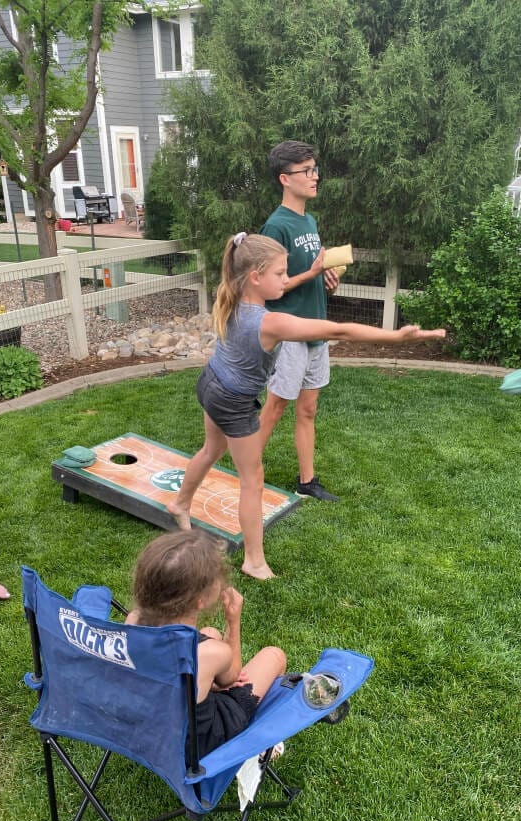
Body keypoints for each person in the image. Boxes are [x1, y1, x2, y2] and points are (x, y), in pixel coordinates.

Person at [166, 231, 445, 580]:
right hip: (233, 402)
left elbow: (282, 288)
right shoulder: (270, 322)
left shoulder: (234, 296)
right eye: (281, 274)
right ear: (255, 276)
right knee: (253, 479)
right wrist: (397, 337)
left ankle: (179, 503)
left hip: (211, 383)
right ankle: (254, 561)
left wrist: (308, 274)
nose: (286, 280)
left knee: (210, 451)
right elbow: (338, 331)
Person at [125, 530, 287, 758]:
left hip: (153, 724)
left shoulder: (133, 621)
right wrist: (233, 621)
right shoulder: (210, 653)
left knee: (210, 632)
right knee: (274, 656)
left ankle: (206, 686)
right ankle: (257, 744)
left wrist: (208, 682)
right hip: (198, 743)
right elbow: (233, 677)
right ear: (201, 600)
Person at [259, 139, 342, 502]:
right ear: (284, 179)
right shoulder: (275, 227)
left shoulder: (310, 220)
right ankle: (245, 469)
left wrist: (327, 279)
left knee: (308, 409)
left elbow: (310, 270)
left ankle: (306, 482)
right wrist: (309, 275)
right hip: (290, 330)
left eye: (315, 169)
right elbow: (265, 289)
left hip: (316, 328)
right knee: (276, 406)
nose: (314, 177)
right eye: (306, 171)